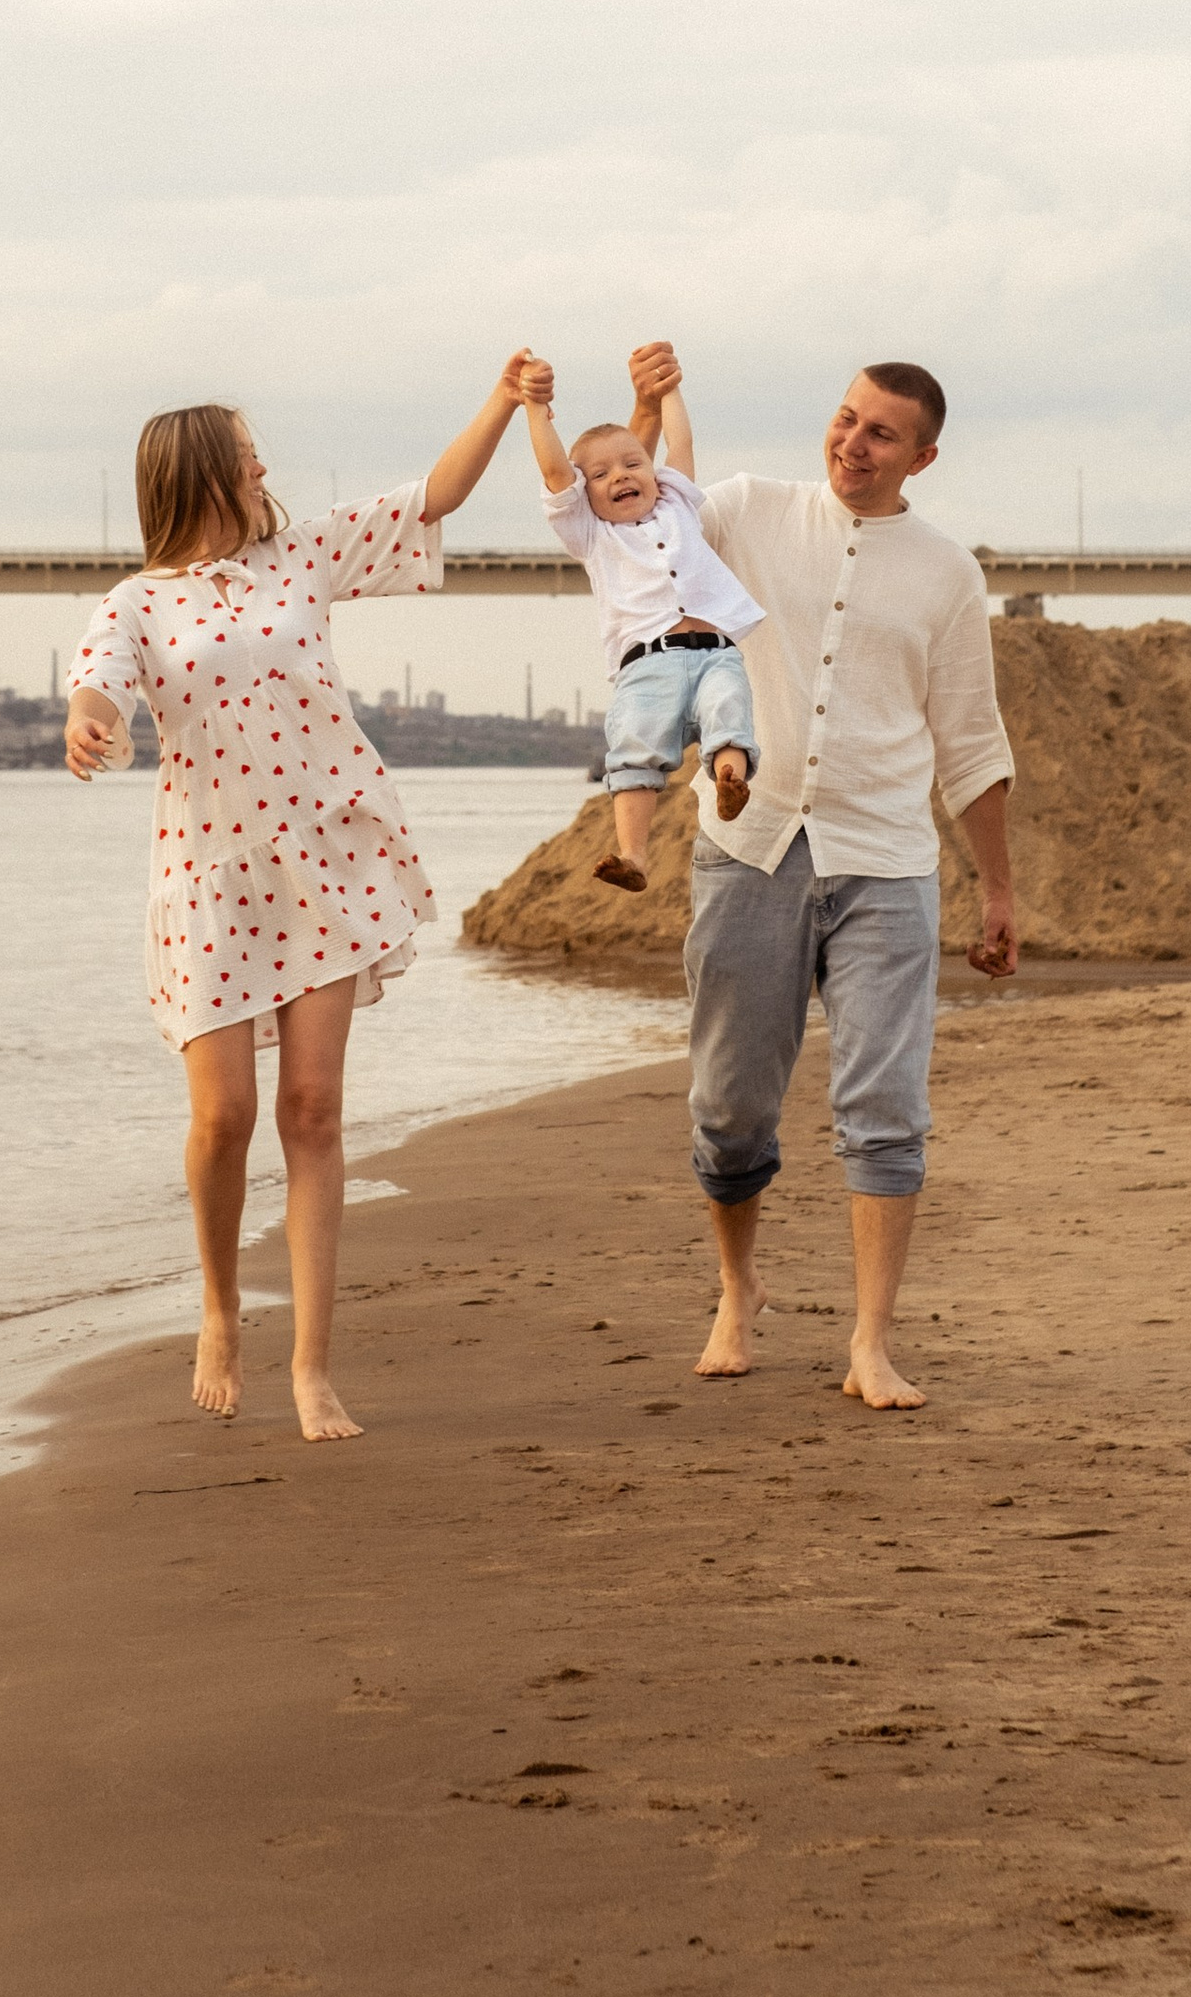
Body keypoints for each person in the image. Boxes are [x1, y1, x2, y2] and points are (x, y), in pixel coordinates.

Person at [63, 365, 529, 1441]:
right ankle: (221, 1308)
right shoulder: (135, 604)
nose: (262, 462)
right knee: (222, 1117)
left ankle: (313, 1366)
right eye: (245, 448)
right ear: (202, 471)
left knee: (310, 1110)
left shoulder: (304, 555)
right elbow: (99, 678)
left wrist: (502, 402)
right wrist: (89, 721)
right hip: (210, 879)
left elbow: (433, 498)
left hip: (323, 857)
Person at [619, 343, 1019, 1413]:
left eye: (881, 432)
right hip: (749, 850)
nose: (854, 442)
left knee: (884, 1105)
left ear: (921, 457)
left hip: (887, 862)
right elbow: (638, 518)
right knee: (730, 1107)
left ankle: (871, 1342)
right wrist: (649, 408)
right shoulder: (748, 511)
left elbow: (971, 740)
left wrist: (998, 893)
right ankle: (737, 1291)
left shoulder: (946, 574)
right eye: (847, 418)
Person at [517, 353, 760, 893]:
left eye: (632, 463)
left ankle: (728, 781)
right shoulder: (590, 535)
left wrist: (669, 388)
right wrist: (535, 408)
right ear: (584, 494)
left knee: (730, 715)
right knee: (634, 751)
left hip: (716, 650)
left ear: (654, 474)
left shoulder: (680, 505)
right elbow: (557, 471)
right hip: (646, 666)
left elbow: (683, 445)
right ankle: (634, 855)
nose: (621, 475)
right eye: (600, 474)